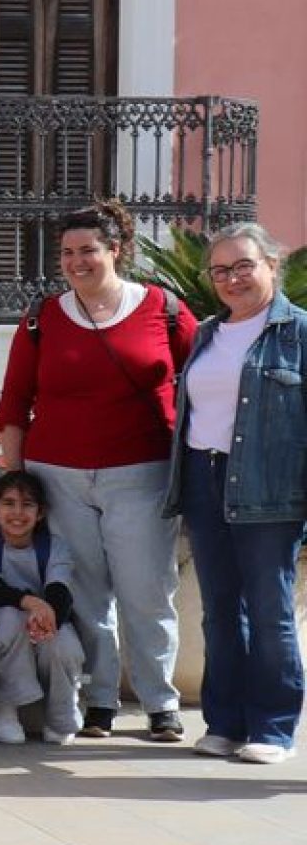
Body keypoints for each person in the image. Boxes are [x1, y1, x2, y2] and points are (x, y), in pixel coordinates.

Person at [0, 200, 193, 741]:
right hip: (57, 475)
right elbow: (14, 402)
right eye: (67, 253)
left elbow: (203, 384)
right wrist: (14, 481)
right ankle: (101, 700)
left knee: (147, 591)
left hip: (142, 472)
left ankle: (159, 702)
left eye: (88, 250)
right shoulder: (43, 319)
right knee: (85, 593)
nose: (77, 261)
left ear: (116, 250)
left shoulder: (165, 310)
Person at [165, 222, 307, 764]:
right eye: (220, 270)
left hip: (270, 486)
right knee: (220, 611)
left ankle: (272, 728)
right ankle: (224, 723)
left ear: (273, 264)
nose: (232, 278)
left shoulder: (298, 334)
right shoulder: (205, 334)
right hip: (205, 479)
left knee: (269, 608)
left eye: (244, 265)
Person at [0, 471, 84, 745]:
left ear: (40, 513)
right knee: (10, 619)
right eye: (8, 503)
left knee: (63, 643)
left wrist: (45, 614)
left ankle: (61, 713)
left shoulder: (56, 547)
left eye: (27, 504)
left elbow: (59, 589)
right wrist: (32, 604)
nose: (17, 512)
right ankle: (3, 707)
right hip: (1, 621)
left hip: (44, 619)